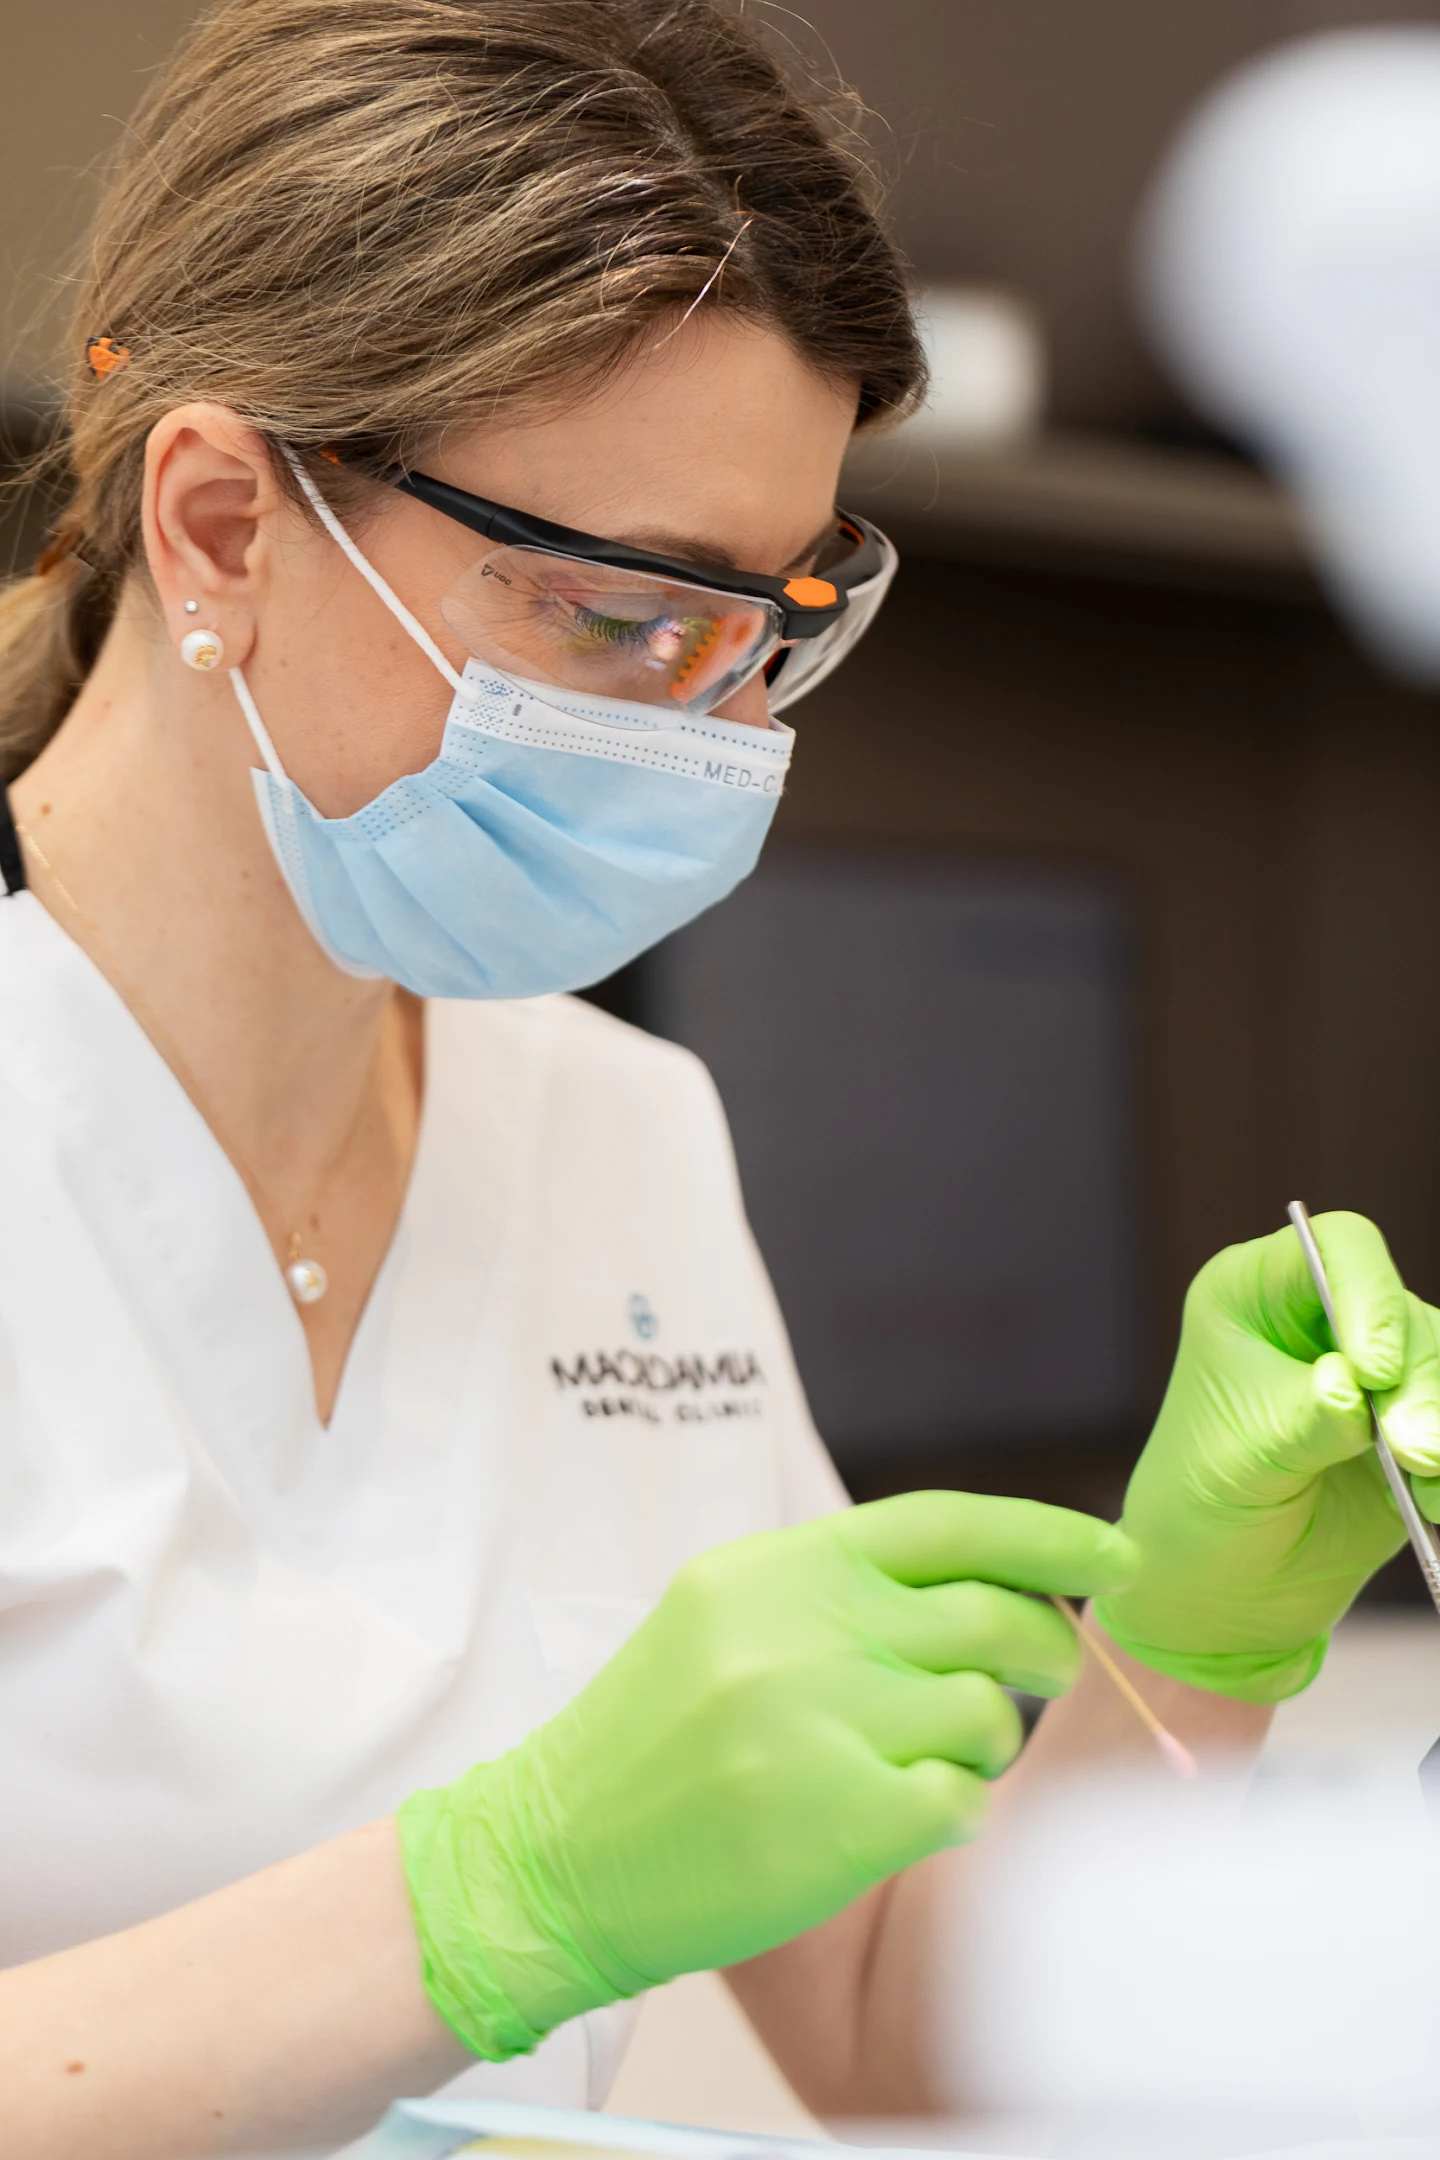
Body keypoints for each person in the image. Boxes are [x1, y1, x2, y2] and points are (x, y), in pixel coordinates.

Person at [3, 4, 1440, 2155]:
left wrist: (1190, 1632)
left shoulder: (613, 1133)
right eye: (619, 617)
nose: (722, 736)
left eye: (773, 623)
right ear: (220, 523)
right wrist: (489, 1902)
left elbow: (892, 2039)